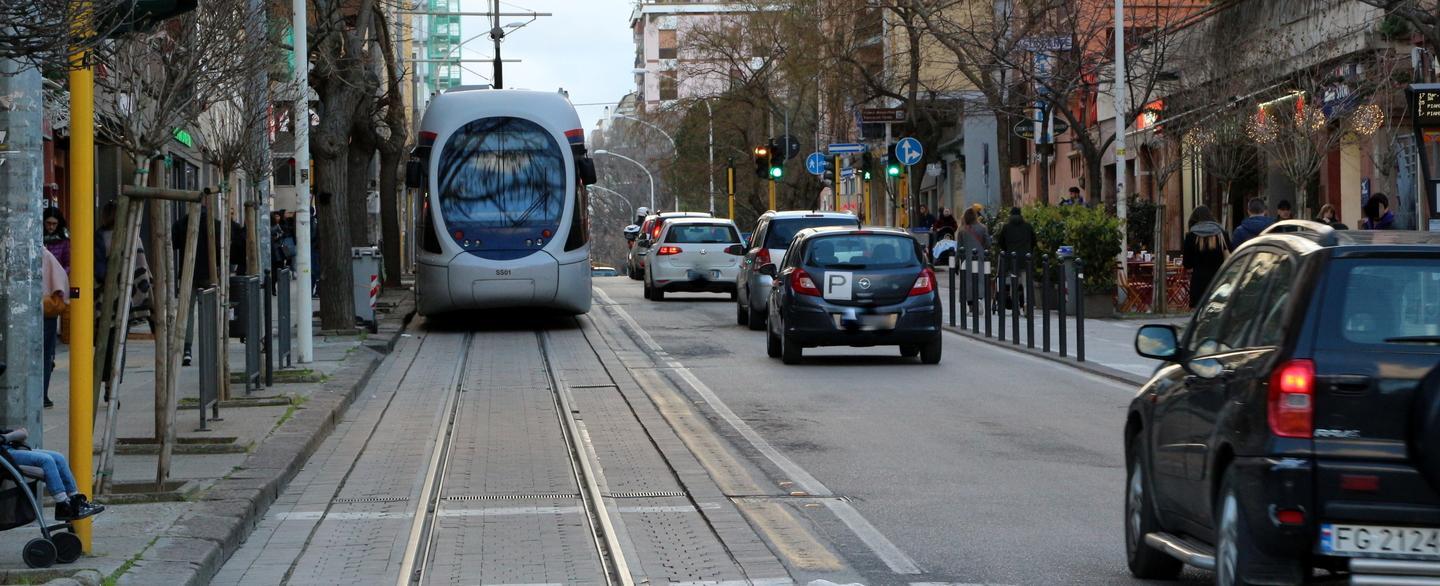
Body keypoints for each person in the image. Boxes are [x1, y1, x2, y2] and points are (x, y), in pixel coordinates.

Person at [0, 428, 104, 521]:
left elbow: (21, 433)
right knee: (46, 460)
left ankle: (74, 498)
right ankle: (63, 503)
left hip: (9, 448)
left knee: (58, 458)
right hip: (4, 454)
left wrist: (6, 437)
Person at [1182, 205, 1230, 307]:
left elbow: (1187, 264)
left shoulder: (1191, 236)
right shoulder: (1222, 234)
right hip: (1219, 281)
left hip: (1199, 282)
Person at [41, 248, 67, 409]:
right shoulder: (45, 254)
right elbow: (60, 280)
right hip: (45, 312)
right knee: (45, 354)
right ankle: (42, 393)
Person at [996, 207, 1037, 308]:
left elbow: (1000, 241)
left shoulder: (1006, 227)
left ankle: (1015, 304)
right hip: (1025, 258)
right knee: (1026, 282)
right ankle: (1027, 303)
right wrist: (1029, 251)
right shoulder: (1028, 226)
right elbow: (1034, 241)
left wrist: (1007, 250)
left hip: (1012, 258)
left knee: (1013, 281)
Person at [43, 207, 71, 272]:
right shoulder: (37, 238)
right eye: (48, 223)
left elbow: (68, 264)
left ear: (58, 224)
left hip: (57, 277)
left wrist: (59, 274)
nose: (51, 227)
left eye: (54, 224)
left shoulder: (63, 241)